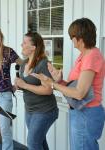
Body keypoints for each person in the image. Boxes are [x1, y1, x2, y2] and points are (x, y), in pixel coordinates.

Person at [32, 18, 105, 150]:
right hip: (81, 112)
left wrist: (52, 84)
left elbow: (80, 93)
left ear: (79, 39)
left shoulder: (91, 56)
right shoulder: (84, 55)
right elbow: (77, 87)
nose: (72, 41)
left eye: (72, 37)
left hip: (86, 113)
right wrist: (59, 80)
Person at [14, 32, 59, 150]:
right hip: (30, 110)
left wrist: (25, 85)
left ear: (33, 47)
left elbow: (48, 90)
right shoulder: (24, 63)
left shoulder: (43, 63)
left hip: (45, 111)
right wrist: (19, 85)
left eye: (24, 43)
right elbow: (26, 85)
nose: (21, 44)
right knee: (40, 141)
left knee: (33, 143)